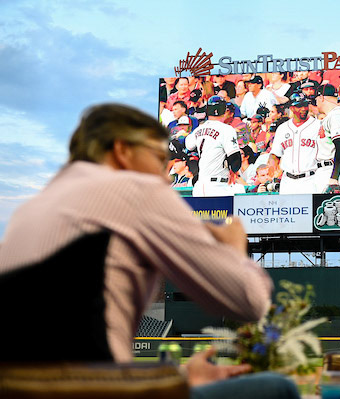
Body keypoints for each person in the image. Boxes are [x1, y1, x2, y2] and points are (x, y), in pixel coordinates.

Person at [0, 103, 299, 398]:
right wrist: (234, 248)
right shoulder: (138, 188)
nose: (165, 174)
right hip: (98, 390)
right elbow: (248, 301)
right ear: (122, 150)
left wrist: (180, 379)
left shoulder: (29, 210)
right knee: (277, 388)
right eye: (158, 157)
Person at [185, 96, 242, 197]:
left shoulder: (199, 129)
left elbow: (188, 145)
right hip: (218, 187)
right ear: (224, 111)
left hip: (200, 186)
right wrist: (234, 171)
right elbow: (235, 159)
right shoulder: (227, 129)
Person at [269, 93, 320, 194]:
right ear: (292, 108)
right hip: (288, 181)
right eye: (299, 106)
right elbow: (275, 153)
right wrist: (272, 164)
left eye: (305, 105)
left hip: (310, 179)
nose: (303, 108)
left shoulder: (318, 125)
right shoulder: (282, 128)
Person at [314, 84, 340, 194]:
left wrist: (334, 178)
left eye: (316, 99)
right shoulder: (332, 116)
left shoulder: (337, 116)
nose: (316, 103)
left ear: (321, 98)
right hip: (327, 170)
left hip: (333, 171)